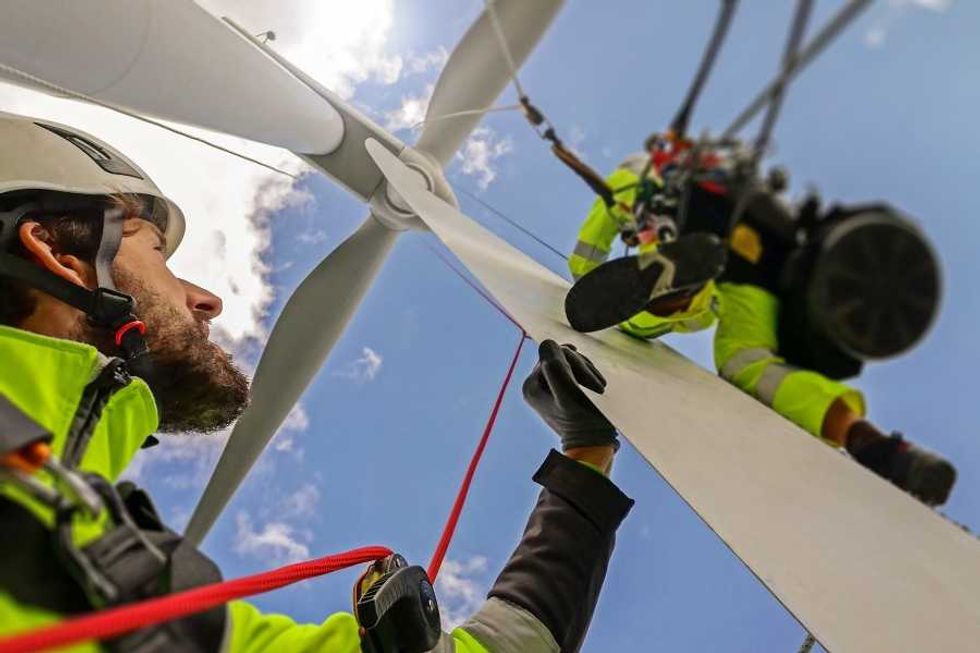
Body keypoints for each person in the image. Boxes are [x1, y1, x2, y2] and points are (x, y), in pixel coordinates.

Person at [0, 112, 632, 652]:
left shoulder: (123, 581)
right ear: (57, 253)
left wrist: (586, 455)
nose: (207, 300)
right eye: (158, 254)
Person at [567, 138, 957, 507]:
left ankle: (676, 292)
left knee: (638, 324)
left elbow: (586, 261)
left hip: (695, 227)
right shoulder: (726, 172)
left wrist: (583, 273)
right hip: (763, 255)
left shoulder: (634, 178)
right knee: (749, 364)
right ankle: (870, 442)